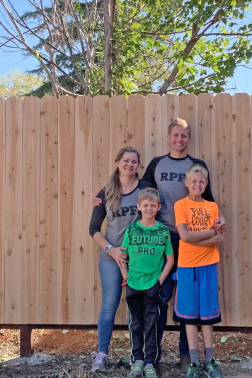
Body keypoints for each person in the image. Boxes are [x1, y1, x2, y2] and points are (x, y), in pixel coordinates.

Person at [93, 118, 226, 369]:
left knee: (188, 295)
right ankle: (155, 353)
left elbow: (208, 199)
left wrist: (219, 222)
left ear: (188, 139)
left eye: (184, 136)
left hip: (191, 240)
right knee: (160, 296)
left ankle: (187, 355)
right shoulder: (156, 164)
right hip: (160, 237)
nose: (179, 140)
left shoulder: (197, 166)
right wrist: (101, 197)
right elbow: (142, 192)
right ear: (169, 137)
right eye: (175, 135)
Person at [88, 146, 154, 373]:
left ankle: (136, 355)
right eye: (126, 161)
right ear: (117, 162)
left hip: (138, 260)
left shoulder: (145, 188)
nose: (130, 165)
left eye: (134, 162)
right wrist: (111, 250)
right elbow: (94, 229)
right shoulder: (104, 193)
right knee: (109, 306)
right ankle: (102, 354)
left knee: (135, 309)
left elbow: (156, 213)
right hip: (111, 259)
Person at [174, 164, 225, 378]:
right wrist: (211, 233)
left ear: (206, 185)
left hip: (208, 266)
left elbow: (220, 239)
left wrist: (203, 236)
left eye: (202, 182)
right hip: (186, 267)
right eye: (193, 181)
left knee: (207, 317)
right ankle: (194, 363)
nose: (197, 185)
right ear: (186, 183)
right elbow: (185, 237)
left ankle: (210, 361)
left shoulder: (212, 207)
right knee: (189, 317)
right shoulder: (180, 205)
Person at [120, 188, 174, 378]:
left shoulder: (163, 231)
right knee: (136, 324)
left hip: (153, 285)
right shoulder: (132, 229)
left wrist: (159, 282)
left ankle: (150, 361)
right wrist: (125, 276)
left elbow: (170, 260)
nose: (149, 209)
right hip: (133, 284)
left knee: (152, 324)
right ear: (139, 207)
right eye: (145, 206)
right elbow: (122, 256)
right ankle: (137, 360)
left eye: (153, 205)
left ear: (158, 207)